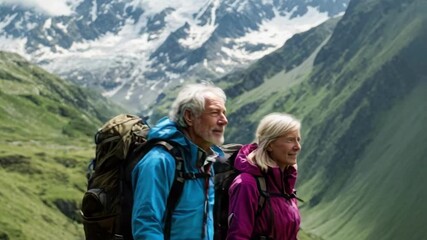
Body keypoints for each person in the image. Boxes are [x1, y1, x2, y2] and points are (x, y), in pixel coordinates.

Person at [131, 82, 228, 240]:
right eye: (214, 113)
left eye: (224, 113)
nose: (224, 120)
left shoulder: (207, 160)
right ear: (189, 117)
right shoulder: (159, 161)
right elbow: (146, 226)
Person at [226, 113, 302, 240]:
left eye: (298, 140)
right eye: (290, 140)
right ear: (270, 144)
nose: (297, 147)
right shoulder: (246, 184)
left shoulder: (286, 187)